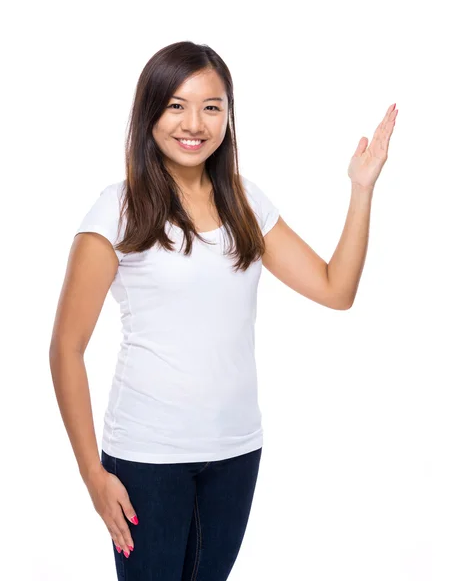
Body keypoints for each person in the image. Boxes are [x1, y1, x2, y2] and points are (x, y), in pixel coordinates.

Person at [49, 41, 397, 580]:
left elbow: (336, 289)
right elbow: (66, 349)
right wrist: (92, 474)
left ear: (228, 117)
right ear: (149, 114)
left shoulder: (244, 202)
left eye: (211, 106)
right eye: (176, 105)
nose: (195, 123)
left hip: (236, 452)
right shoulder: (116, 212)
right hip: (147, 458)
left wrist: (360, 189)